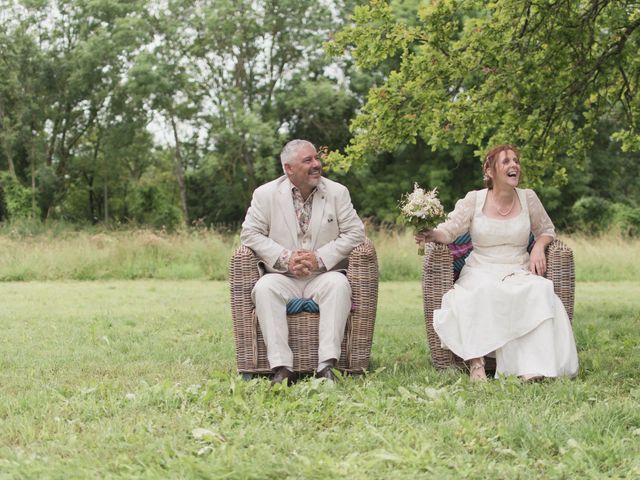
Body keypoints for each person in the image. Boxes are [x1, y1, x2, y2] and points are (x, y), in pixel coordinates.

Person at [416, 144, 579, 382]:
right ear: (489, 170)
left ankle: (532, 367)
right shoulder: (474, 200)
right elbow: (449, 231)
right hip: (481, 268)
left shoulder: (528, 197)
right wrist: (431, 233)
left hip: (517, 268)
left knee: (538, 289)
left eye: (516, 161)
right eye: (506, 162)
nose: (514, 165)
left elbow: (546, 229)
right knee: (482, 291)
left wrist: (538, 247)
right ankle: (476, 362)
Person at [240, 139, 365, 385]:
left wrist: (320, 258)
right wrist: (286, 258)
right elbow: (249, 233)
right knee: (264, 288)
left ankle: (327, 365)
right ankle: (282, 368)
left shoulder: (338, 193)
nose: (316, 164)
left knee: (339, 286)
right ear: (289, 169)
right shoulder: (265, 194)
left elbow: (356, 233)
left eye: (317, 158)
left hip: (323, 275)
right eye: (308, 160)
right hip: (282, 276)